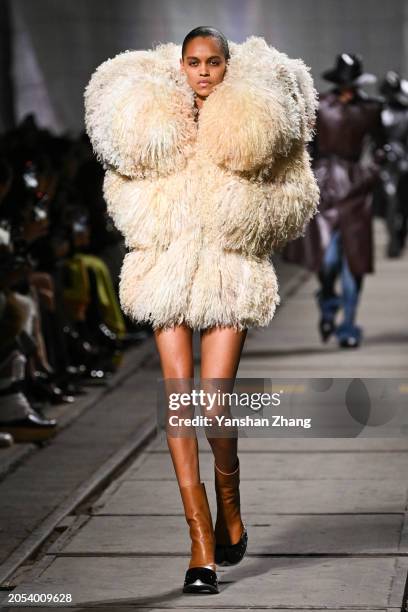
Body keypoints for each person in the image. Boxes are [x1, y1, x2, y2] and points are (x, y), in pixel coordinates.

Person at [84, 26, 319, 594]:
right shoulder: (151, 127)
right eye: (195, 62)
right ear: (181, 66)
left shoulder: (251, 128)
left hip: (228, 274)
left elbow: (293, 198)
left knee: (213, 404)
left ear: (228, 66)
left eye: (214, 62)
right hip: (165, 272)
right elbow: (122, 192)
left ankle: (230, 501)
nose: (205, 71)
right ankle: (200, 546)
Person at [283, 53, 384, 348]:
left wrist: (371, 172)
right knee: (326, 261)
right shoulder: (319, 107)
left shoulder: (369, 109)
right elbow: (305, 147)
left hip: (356, 189)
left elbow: (383, 145)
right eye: (344, 83)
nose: (348, 89)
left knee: (355, 264)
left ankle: (349, 327)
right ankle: (328, 302)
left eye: (351, 83)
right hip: (324, 188)